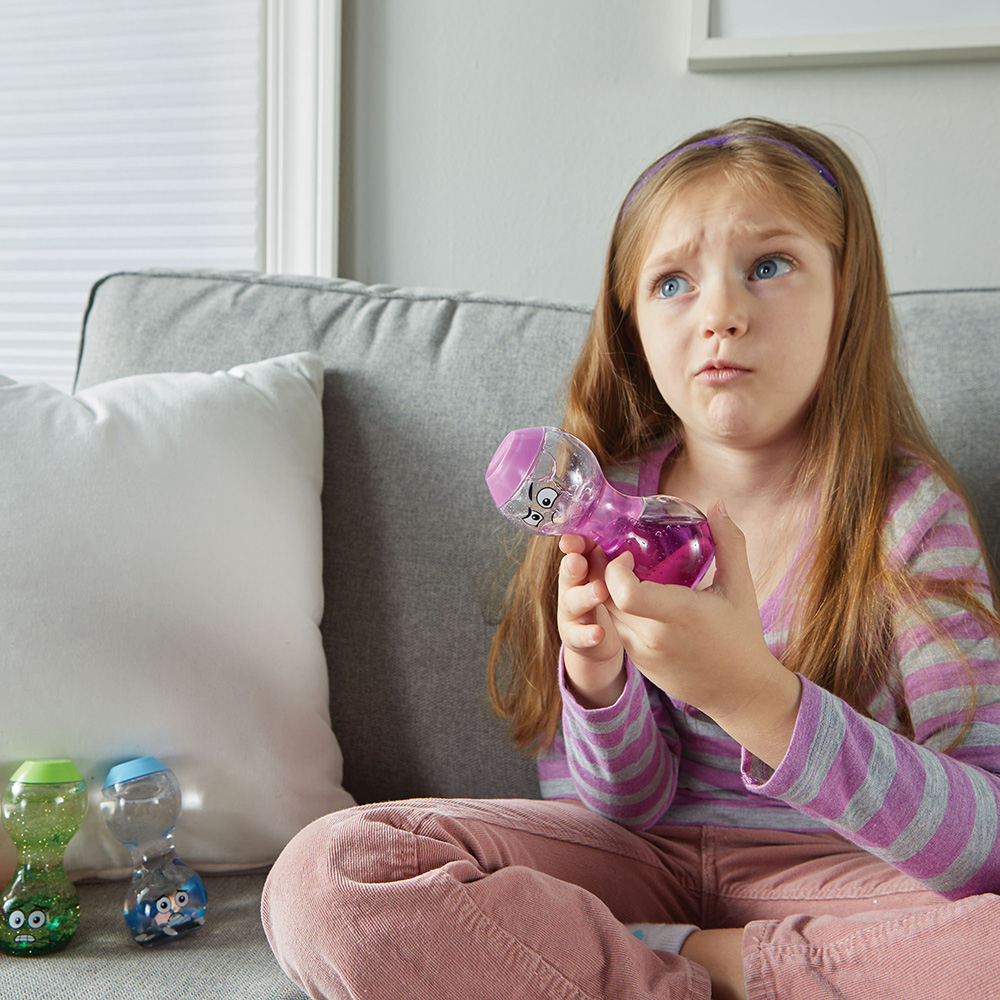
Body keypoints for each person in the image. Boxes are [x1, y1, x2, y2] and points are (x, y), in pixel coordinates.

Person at [261, 118, 1000, 999]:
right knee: (330, 873)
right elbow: (617, 811)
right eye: (673, 283)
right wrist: (600, 683)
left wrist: (755, 698)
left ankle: (683, 969)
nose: (721, 313)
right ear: (633, 327)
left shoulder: (907, 516)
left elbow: (983, 847)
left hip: (834, 876)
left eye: (769, 265)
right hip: (625, 869)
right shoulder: (597, 504)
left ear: (849, 291)